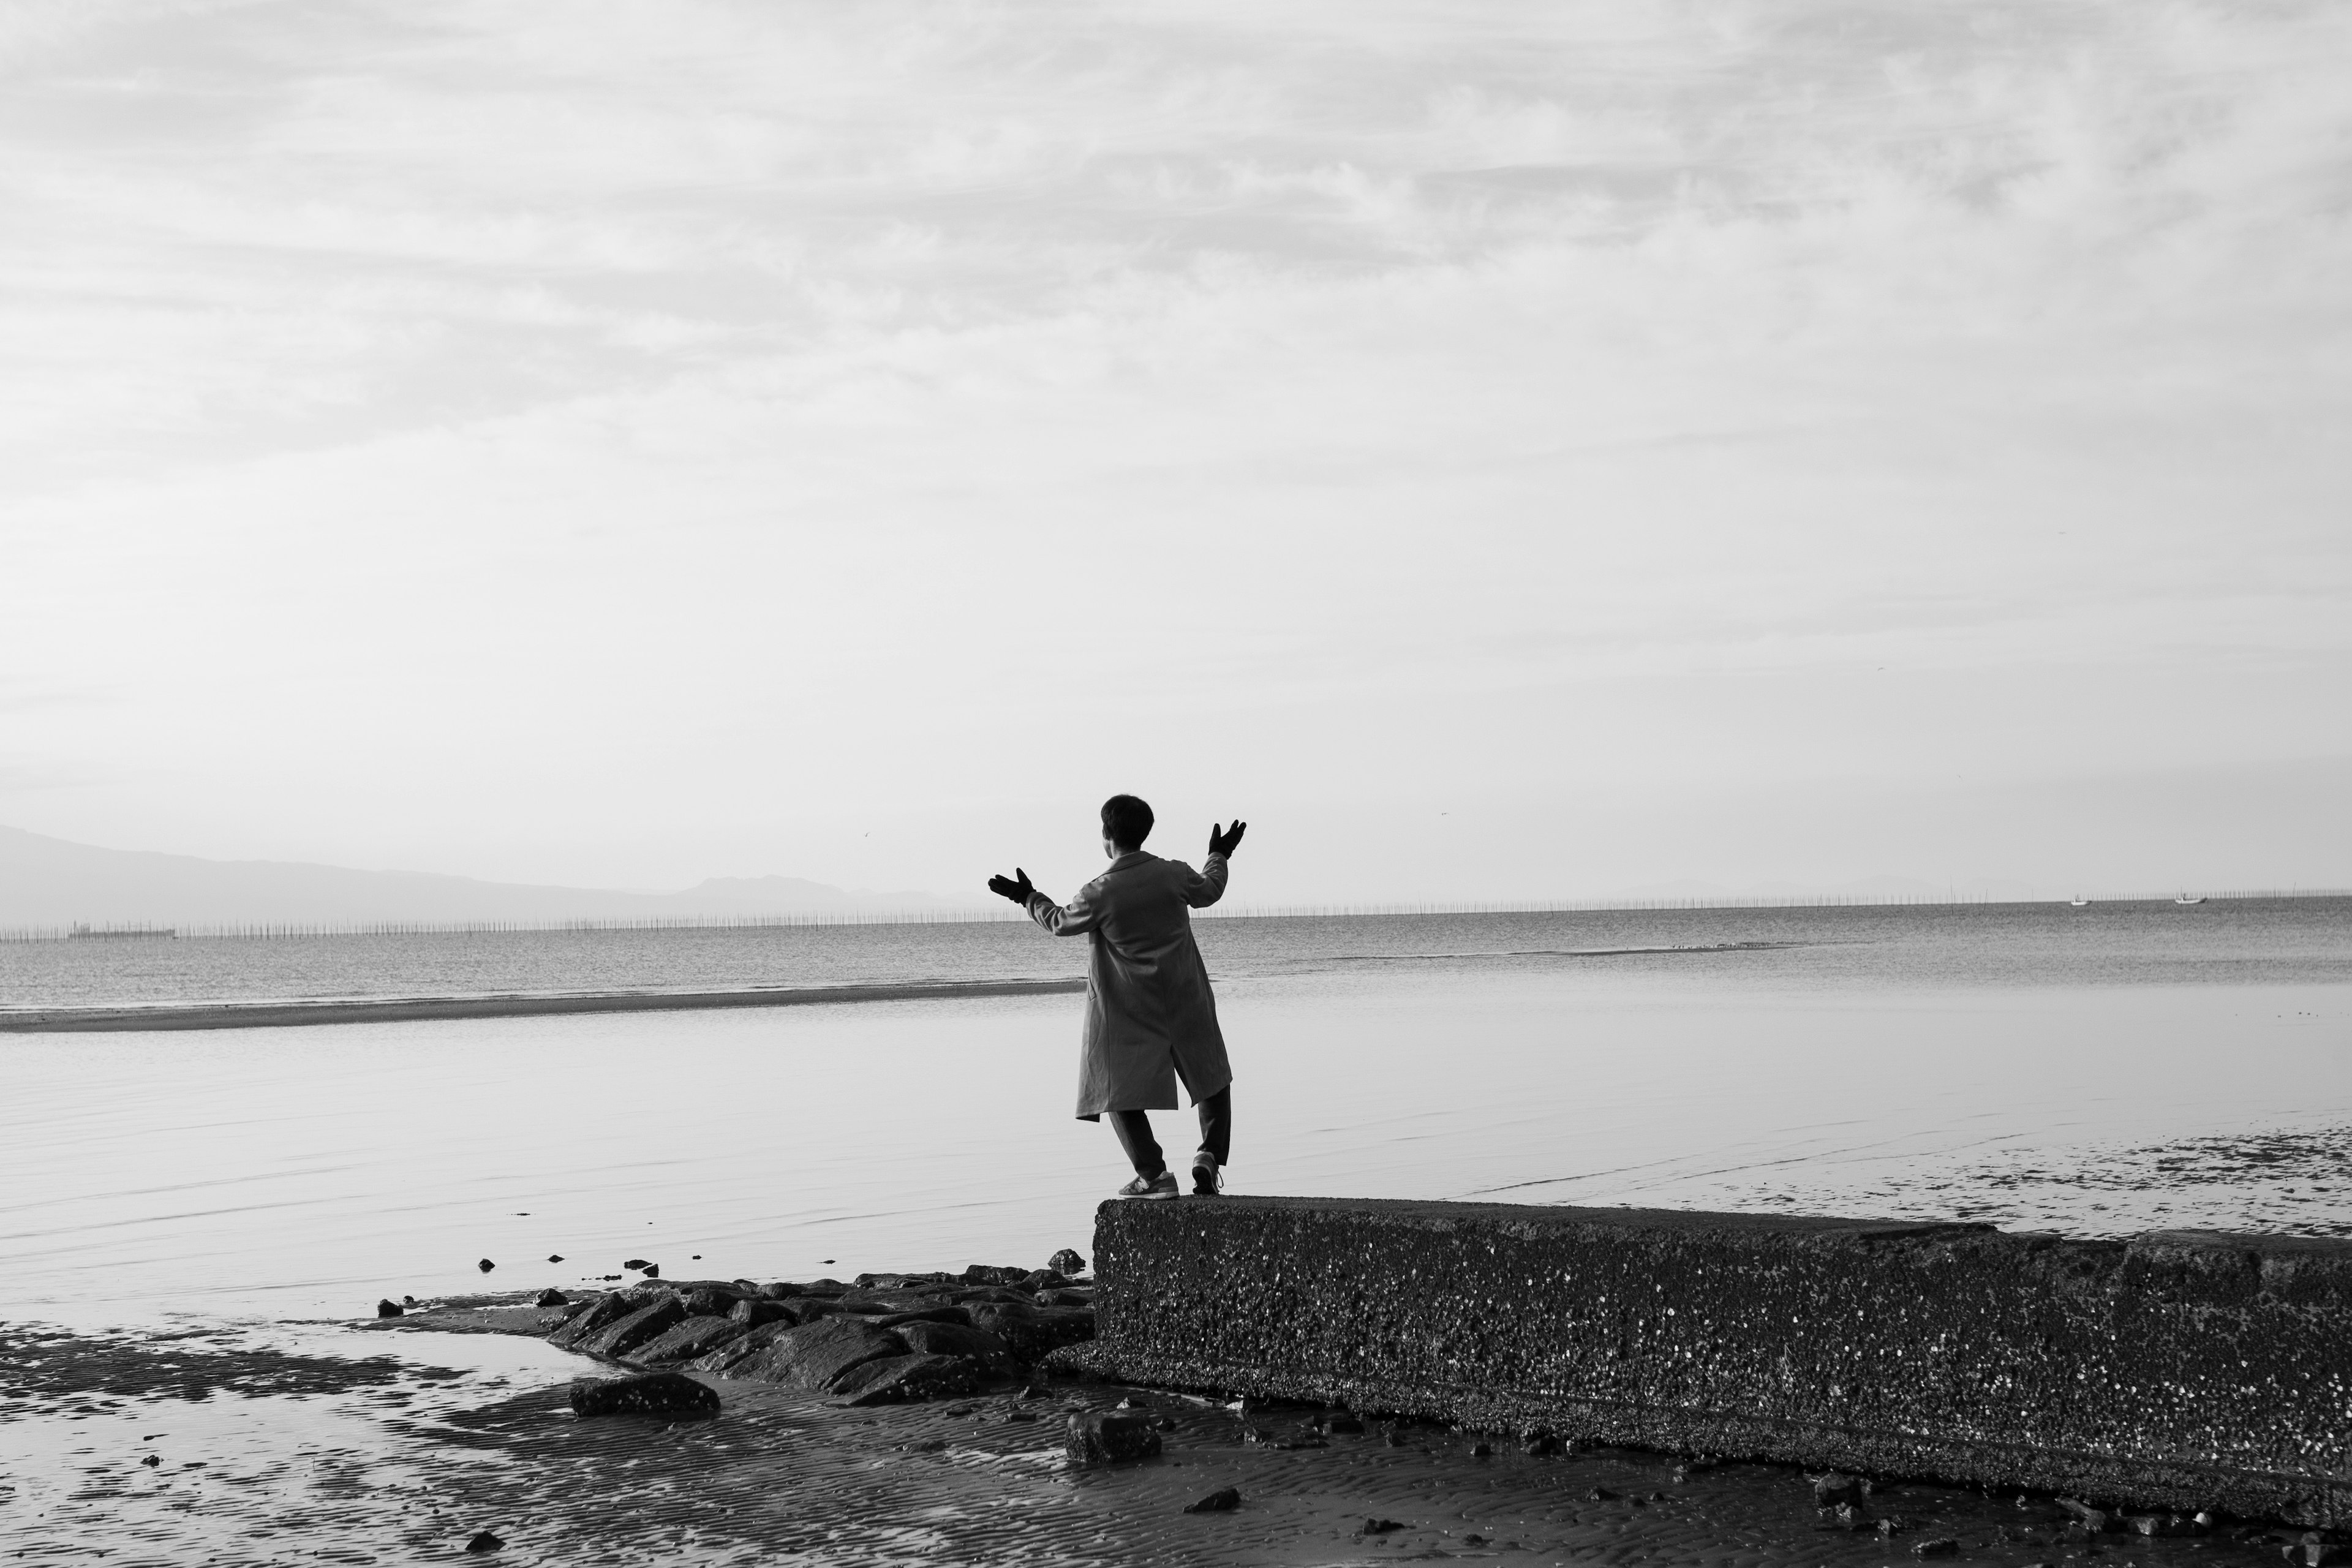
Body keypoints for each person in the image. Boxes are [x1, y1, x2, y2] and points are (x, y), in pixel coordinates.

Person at [989, 795, 1246, 1199]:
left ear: (1106, 835)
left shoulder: (1100, 892)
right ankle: (1209, 1156)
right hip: (1186, 995)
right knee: (1212, 1075)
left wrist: (1027, 897)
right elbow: (1211, 889)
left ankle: (1154, 1174)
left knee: (1114, 1089)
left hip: (1130, 1009)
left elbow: (1058, 922)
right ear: (1145, 833)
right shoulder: (1173, 875)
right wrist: (1219, 854)